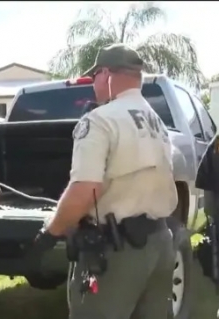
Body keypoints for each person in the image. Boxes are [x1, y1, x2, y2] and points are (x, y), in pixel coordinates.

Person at [33, 44, 177, 318]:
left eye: (95, 76)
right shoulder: (157, 122)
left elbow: (87, 189)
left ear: (107, 74)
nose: (93, 84)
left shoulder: (100, 120)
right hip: (160, 243)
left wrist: (51, 231)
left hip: (116, 252)